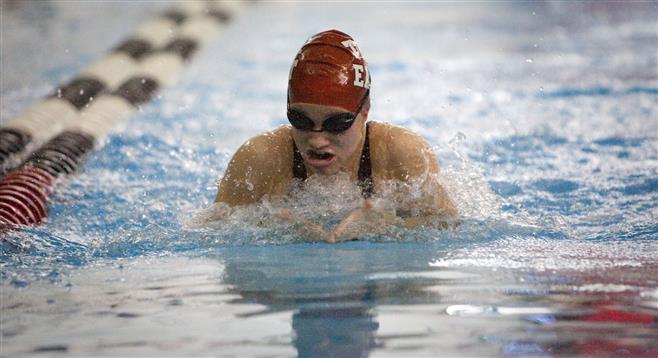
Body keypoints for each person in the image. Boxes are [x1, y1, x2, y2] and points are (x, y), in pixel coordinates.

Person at [214, 29, 457, 242]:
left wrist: (389, 227)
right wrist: (275, 231)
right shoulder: (260, 159)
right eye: (301, 120)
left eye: (336, 124)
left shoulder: (400, 153)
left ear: (364, 110)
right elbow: (211, 231)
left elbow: (449, 224)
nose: (317, 140)